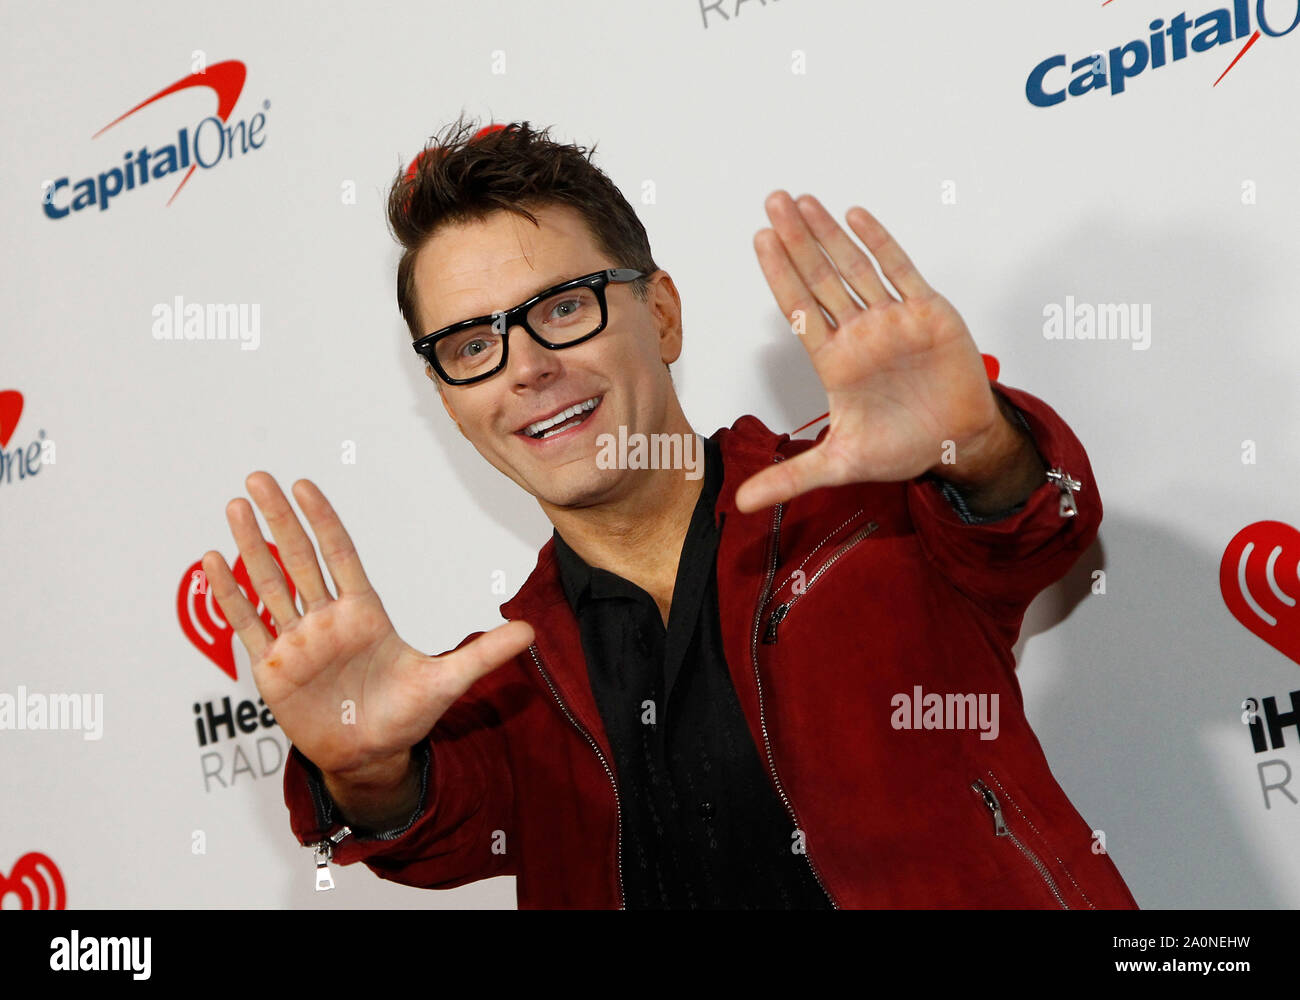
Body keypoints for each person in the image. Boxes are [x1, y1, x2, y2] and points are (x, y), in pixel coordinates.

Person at [204, 116, 1139, 909]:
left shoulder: (866, 510)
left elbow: (1033, 527)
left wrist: (972, 448)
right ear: (447, 395)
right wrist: (364, 770)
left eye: (562, 308)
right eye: (469, 342)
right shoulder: (506, 689)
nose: (526, 367)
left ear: (661, 316)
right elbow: (425, 830)